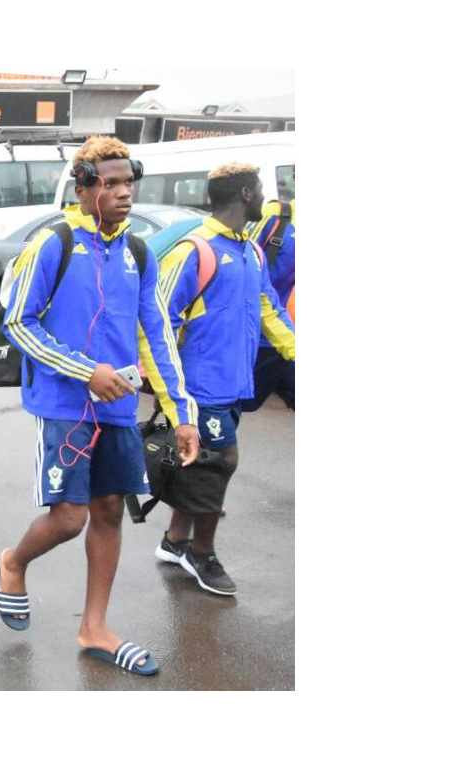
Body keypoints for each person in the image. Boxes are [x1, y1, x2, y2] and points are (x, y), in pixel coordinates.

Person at [0, 136, 199, 676]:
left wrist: (183, 414)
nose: (123, 194)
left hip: (117, 404)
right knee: (69, 517)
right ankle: (13, 563)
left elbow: (158, 334)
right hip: (64, 403)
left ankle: (94, 628)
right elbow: (18, 321)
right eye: (110, 184)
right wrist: (87, 371)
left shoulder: (137, 252)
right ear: (85, 189)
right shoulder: (54, 243)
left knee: (109, 511)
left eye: (129, 183)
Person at [152, 162, 295, 596]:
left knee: (202, 466)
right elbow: (158, 320)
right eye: (259, 189)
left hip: (234, 381)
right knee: (220, 463)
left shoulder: (250, 250)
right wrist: (166, 387)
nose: (266, 197)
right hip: (199, 386)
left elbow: (269, 307)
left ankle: (175, 541)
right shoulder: (194, 250)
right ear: (247, 196)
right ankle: (202, 553)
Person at [240, 198, 296, 411]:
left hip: (287, 337)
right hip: (256, 337)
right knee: (227, 409)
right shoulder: (275, 215)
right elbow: (240, 256)